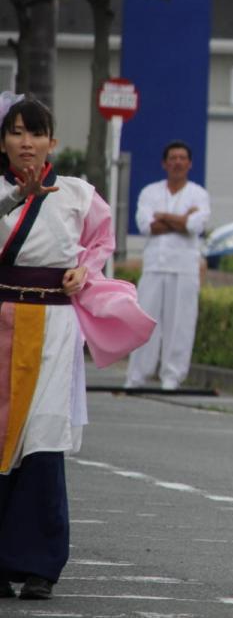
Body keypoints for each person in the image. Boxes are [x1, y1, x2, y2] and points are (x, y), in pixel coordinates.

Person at [0, 96, 153, 600]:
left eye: (36, 132)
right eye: (17, 132)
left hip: (54, 328)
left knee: (43, 437)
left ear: (51, 141)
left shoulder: (78, 194)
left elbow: (100, 244)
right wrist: (15, 199)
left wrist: (84, 270)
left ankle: (41, 564)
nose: (27, 142)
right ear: (3, 141)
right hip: (2, 320)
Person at [124, 141, 210, 390]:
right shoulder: (150, 192)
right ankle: (136, 376)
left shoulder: (198, 194)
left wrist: (165, 217)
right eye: (173, 158)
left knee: (180, 324)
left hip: (184, 267)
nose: (178, 162)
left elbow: (196, 225)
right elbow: (146, 225)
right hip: (154, 266)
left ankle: (172, 377)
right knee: (144, 322)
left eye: (183, 158)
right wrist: (181, 219)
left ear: (190, 163)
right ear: (164, 163)